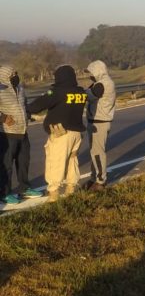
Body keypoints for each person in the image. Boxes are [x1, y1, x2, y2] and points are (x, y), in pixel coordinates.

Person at [27, 65, 87, 203]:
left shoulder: (57, 92)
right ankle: (71, 188)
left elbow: (37, 105)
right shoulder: (80, 92)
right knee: (72, 160)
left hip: (60, 133)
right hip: (77, 133)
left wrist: (26, 108)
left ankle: (53, 194)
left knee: (56, 161)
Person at [0, 66, 42, 204]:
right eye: (13, 74)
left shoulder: (20, 87)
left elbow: (24, 105)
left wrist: (28, 115)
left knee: (23, 162)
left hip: (23, 131)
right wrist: (3, 118)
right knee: (6, 165)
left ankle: (24, 188)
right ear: (5, 75)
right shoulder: (1, 89)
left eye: (16, 73)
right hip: (7, 133)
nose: (16, 75)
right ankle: (4, 193)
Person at [83, 60, 116, 191]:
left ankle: (100, 181)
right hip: (97, 121)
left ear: (98, 71)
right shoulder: (101, 83)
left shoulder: (102, 85)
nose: (90, 75)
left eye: (91, 72)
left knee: (97, 153)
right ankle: (94, 177)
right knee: (94, 152)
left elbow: (88, 96)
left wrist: (79, 92)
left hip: (99, 122)